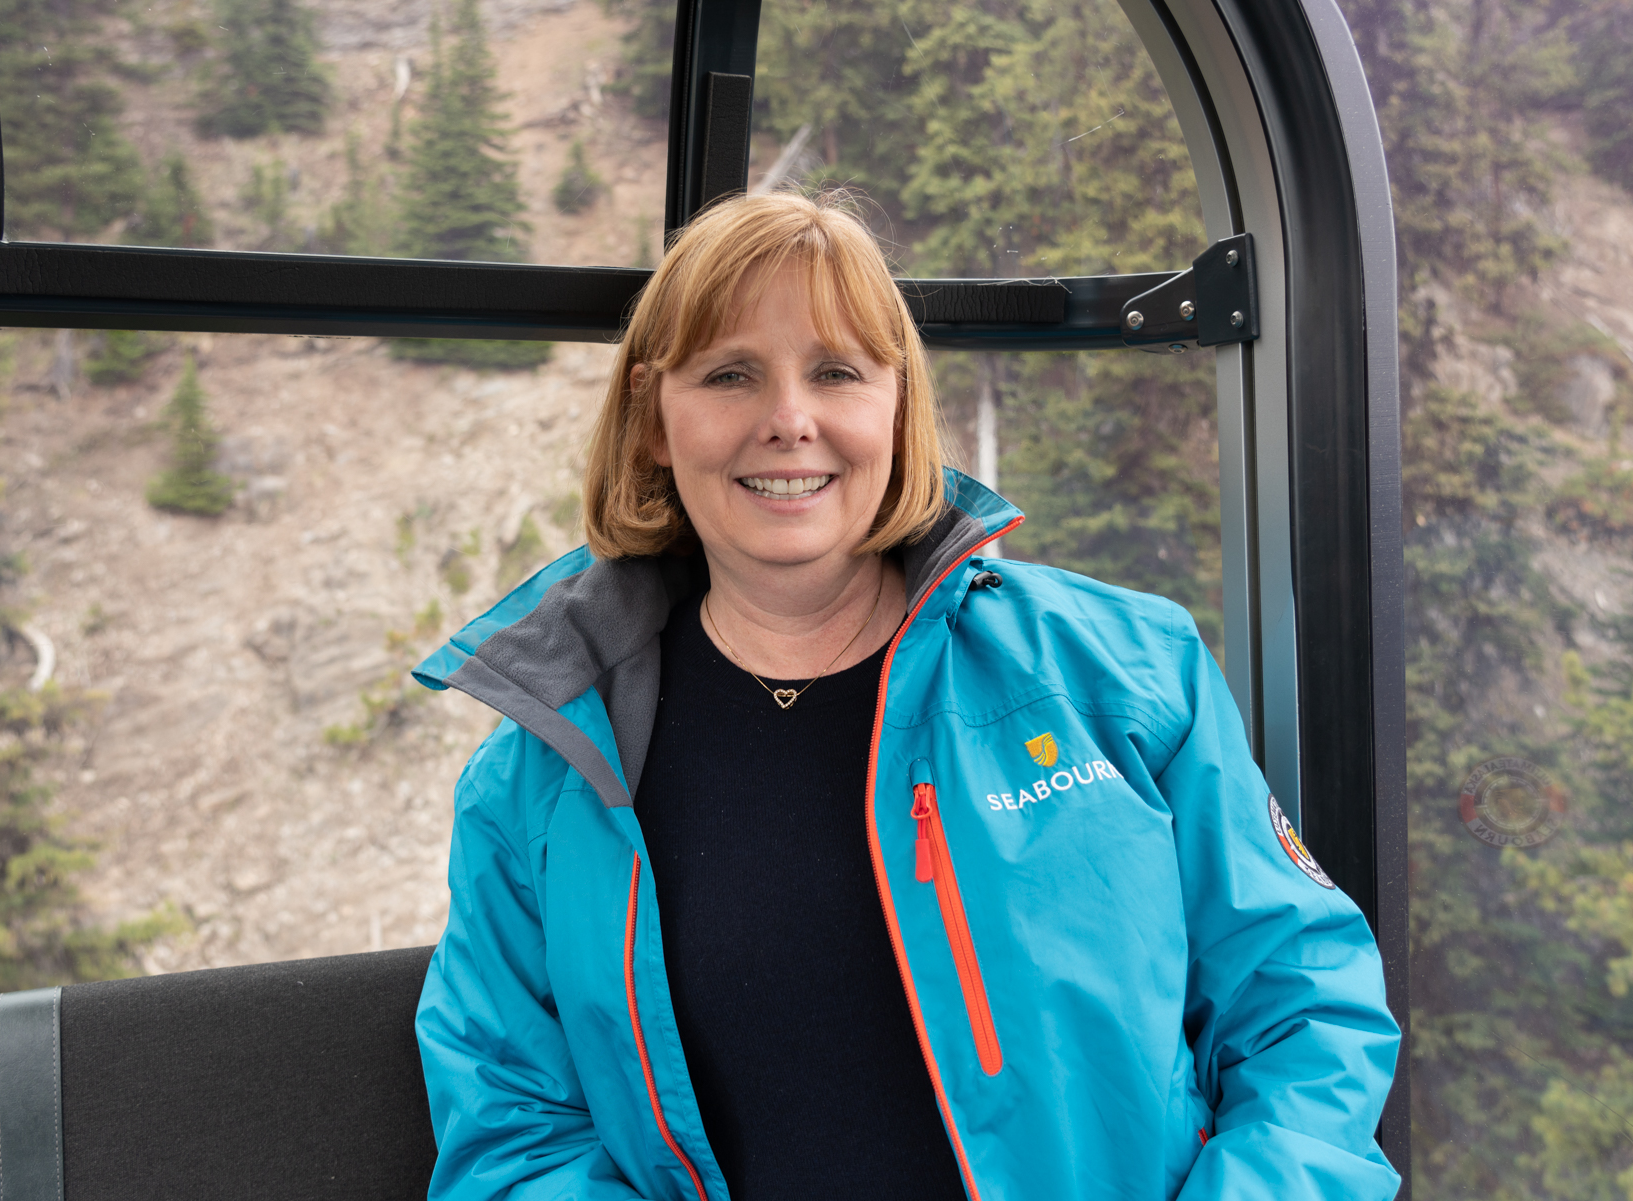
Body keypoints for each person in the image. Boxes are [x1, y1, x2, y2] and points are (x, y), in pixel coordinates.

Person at [411, 190, 1400, 1201]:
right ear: (655, 421)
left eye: (836, 371)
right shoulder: (545, 771)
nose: (788, 420)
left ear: (896, 405)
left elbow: (1304, 1007)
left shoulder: (1122, 672)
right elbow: (515, 1130)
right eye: (730, 374)